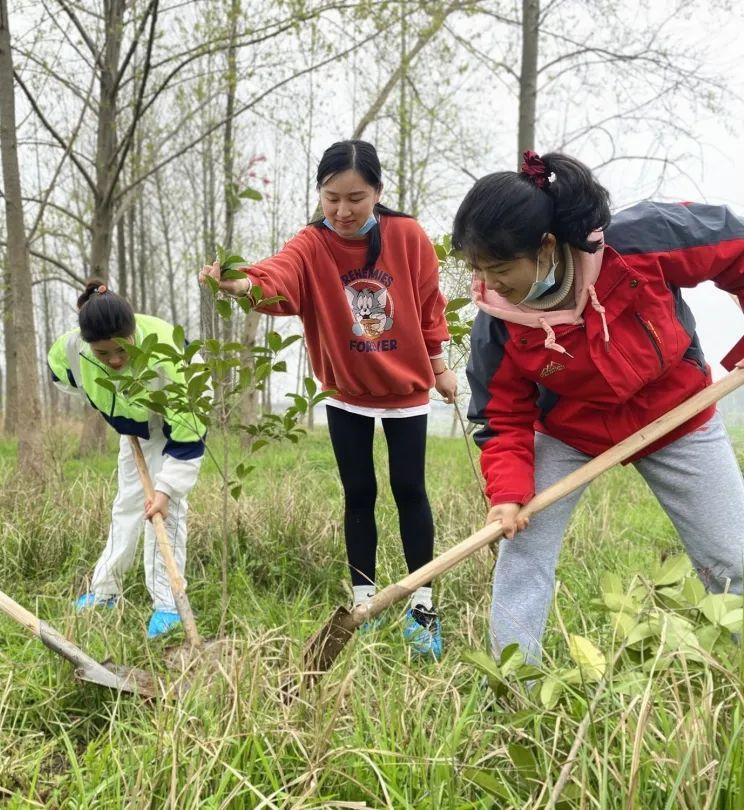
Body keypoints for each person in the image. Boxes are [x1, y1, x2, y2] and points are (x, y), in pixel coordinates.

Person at [455, 150, 744, 662]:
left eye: (500, 269)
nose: (490, 286)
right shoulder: (497, 321)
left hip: (677, 410)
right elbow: (503, 417)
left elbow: (735, 246)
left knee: (734, 557)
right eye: (479, 270)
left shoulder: (640, 241)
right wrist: (508, 493)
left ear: (545, 246)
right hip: (570, 429)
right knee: (522, 548)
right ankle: (515, 681)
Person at [200, 139, 456, 659]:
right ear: (319, 194)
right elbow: (277, 278)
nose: (342, 211)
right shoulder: (312, 245)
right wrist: (237, 283)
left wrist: (441, 368)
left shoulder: (408, 237)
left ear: (378, 193)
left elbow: (430, 307)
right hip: (346, 392)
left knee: (410, 489)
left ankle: (421, 605)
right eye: (332, 197)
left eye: (356, 198)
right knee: (358, 492)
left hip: (406, 388)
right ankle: (362, 603)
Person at [48, 281, 206, 639]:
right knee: (128, 505)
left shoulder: (167, 355)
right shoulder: (71, 350)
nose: (115, 360)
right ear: (88, 344)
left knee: (166, 512)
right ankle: (105, 591)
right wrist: (123, 414)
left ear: (133, 332)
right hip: (134, 425)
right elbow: (63, 376)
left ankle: (168, 604)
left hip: (177, 414)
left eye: (122, 350)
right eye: (104, 355)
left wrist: (166, 489)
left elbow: (189, 432)